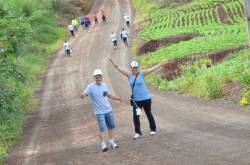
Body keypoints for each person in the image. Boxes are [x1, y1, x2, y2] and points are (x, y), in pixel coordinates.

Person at [108, 58, 166, 140]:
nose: (134, 69)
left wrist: (160, 64)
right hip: (136, 101)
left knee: (148, 113)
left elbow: (151, 69)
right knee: (136, 116)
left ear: (138, 68)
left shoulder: (141, 73)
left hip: (146, 98)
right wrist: (113, 63)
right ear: (131, 68)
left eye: (136, 68)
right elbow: (119, 68)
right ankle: (138, 132)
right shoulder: (129, 75)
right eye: (133, 68)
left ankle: (153, 129)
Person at [80, 69, 123, 152]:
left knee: (111, 126)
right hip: (99, 112)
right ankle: (103, 143)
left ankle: (111, 141)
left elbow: (109, 96)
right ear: (94, 77)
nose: (98, 78)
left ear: (102, 77)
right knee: (102, 128)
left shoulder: (105, 86)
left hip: (108, 110)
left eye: (99, 76)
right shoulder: (91, 87)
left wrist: (118, 98)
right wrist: (82, 95)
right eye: (96, 77)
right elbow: (84, 93)